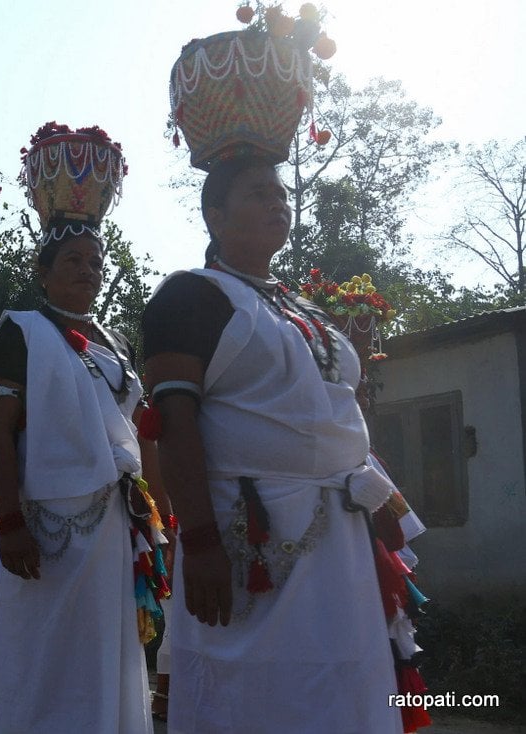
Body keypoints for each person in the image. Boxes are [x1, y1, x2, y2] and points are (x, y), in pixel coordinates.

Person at [140, 155, 400, 733]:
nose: (278, 203)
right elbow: (174, 424)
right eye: (258, 193)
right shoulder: (190, 296)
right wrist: (200, 541)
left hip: (341, 540)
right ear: (214, 215)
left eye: (280, 193)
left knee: (347, 685)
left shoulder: (303, 307)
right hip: (251, 541)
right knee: (258, 697)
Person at [0, 228, 152, 732]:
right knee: (44, 654)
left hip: (117, 523)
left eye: (95, 261)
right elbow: (0, 431)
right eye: (73, 259)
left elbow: (142, 435)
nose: (87, 270)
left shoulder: (117, 342)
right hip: (46, 527)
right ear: (43, 271)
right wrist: (10, 522)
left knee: (108, 649)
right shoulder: (21, 330)